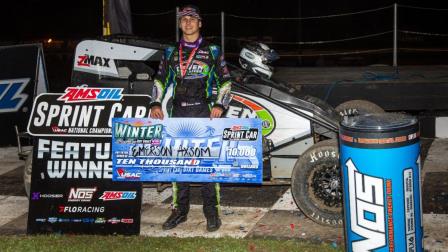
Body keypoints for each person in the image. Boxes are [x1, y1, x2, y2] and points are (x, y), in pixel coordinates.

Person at [149, 5, 232, 232]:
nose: (187, 22)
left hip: (204, 113)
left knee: (207, 165)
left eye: (192, 19)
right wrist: (155, 103)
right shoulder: (170, 52)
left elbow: (225, 81)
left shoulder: (213, 50)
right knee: (178, 165)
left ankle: (211, 212)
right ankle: (180, 211)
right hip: (178, 113)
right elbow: (159, 80)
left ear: (200, 23)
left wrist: (219, 105)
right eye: (184, 19)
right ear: (179, 24)